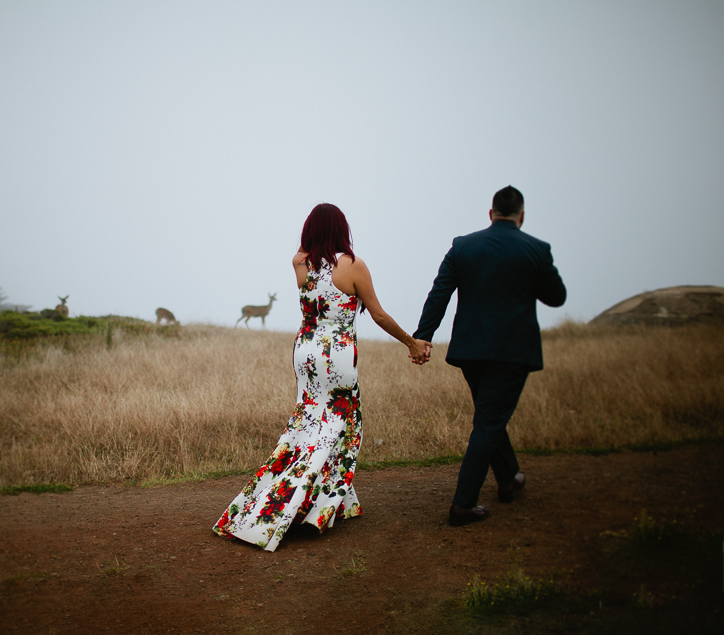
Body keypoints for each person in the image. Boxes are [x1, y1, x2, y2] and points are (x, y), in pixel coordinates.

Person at [214, 203, 431, 551]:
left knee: (307, 425)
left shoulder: (301, 263)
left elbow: (304, 251)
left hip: (305, 351)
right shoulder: (353, 265)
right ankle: (291, 508)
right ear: (342, 230)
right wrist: (411, 342)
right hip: (337, 354)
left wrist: (311, 239)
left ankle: (329, 504)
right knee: (340, 429)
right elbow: (376, 314)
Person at [413, 185, 566, 526]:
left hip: (470, 350)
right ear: (521, 217)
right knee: (489, 421)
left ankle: (509, 477)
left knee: (488, 415)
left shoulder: (462, 246)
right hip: (512, 352)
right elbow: (556, 297)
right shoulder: (536, 250)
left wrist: (423, 336)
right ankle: (463, 504)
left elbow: (440, 293)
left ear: (490, 213)